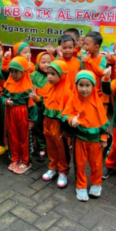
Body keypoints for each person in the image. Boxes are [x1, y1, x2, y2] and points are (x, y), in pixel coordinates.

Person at [63, 70, 109, 201]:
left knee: (96, 164)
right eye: (81, 85)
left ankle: (96, 183)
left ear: (93, 86)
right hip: (80, 138)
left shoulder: (97, 102)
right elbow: (66, 114)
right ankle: (81, 185)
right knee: (80, 163)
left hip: (95, 140)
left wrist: (103, 137)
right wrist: (71, 119)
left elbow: (103, 122)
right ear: (76, 85)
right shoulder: (73, 99)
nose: (84, 89)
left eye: (87, 85)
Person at [3, 56, 37, 174]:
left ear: (23, 71)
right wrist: (6, 101)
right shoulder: (8, 83)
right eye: (11, 71)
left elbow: (32, 104)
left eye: (16, 71)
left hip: (23, 114)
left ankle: (26, 161)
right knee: (12, 136)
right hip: (11, 113)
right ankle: (15, 158)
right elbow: (2, 96)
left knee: (25, 138)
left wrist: (31, 120)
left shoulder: (28, 86)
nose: (13, 74)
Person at [41, 60, 72, 188]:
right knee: (51, 146)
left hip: (60, 126)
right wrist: (36, 98)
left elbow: (69, 111)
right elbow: (44, 101)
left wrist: (66, 130)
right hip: (47, 122)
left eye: (53, 74)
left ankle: (63, 171)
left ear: (63, 74)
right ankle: (52, 166)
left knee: (62, 149)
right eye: (48, 73)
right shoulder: (48, 87)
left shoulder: (67, 92)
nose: (49, 76)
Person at [30, 52, 53, 162]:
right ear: (38, 63)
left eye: (49, 62)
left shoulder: (53, 75)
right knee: (39, 127)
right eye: (43, 62)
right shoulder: (34, 75)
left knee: (50, 128)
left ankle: (51, 147)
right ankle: (41, 147)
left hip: (50, 106)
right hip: (36, 106)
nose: (46, 64)